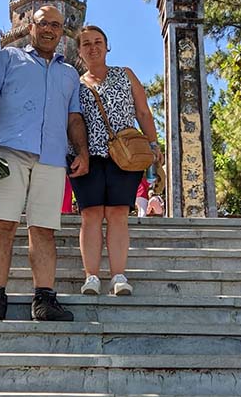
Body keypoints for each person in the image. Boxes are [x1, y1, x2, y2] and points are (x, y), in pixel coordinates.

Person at [0, 5, 89, 322]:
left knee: (44, 230)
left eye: (56, 25)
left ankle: (44, 299)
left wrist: (82, 151)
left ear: (62, 31)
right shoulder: (8, 58)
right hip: (11, 150)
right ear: (30, 26)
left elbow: (74, 117)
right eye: (43, 23)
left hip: (52, 156)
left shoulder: (69, 74)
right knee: (3, 223)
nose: (49, 29)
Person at [69, 25, 162, 297]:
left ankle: (119, 275)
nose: (93, 47)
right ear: (79, 51)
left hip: (125, 154)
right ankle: (92, 276)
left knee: (119, 213)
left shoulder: (125, 75)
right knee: (90, 215)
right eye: (86, 44)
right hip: (87, 155)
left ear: (107, 47)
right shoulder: (74, 83)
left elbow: (143, 111)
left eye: (98, 42)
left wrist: (153, 143)